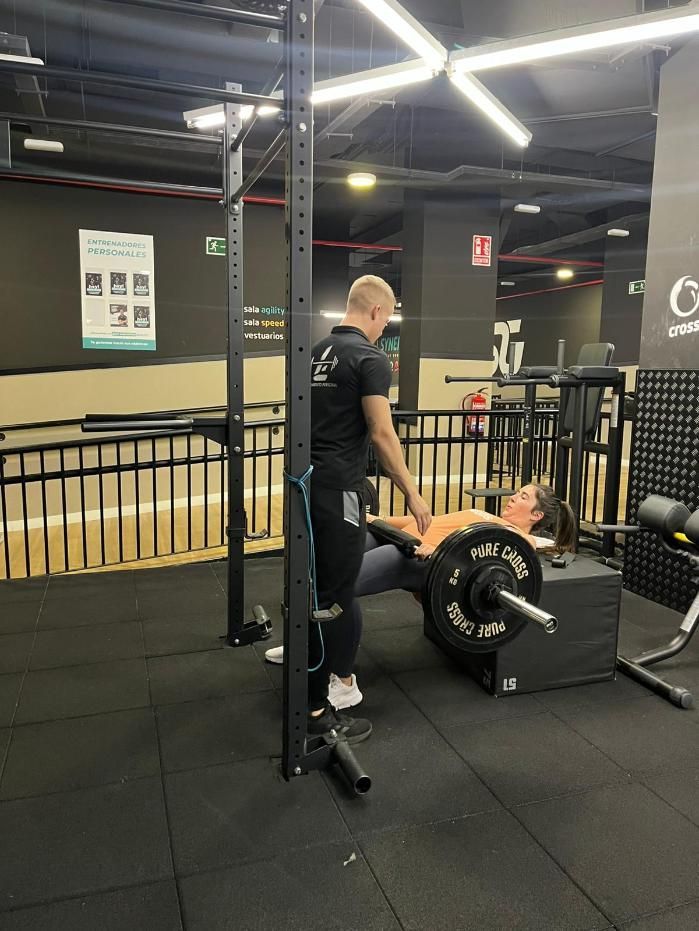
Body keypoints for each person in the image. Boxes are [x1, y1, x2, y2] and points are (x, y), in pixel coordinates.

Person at [269, 483, 576, 709]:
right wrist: (378, 521)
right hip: (403, 539)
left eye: (523, 497)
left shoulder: (516, 540)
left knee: (341, 586)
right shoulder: (486, 515)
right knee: (321, 567)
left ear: (536, 514)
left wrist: (439, 552)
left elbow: (479, 565)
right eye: (518, 492)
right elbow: (431, 523)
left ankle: (346, 684)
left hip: (420, 561)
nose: (513, 497)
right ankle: (306, 646)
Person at [304, 275, 432, 745]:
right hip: (340, 489)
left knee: (313, 585)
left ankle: (307, 679)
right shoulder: (369, 357)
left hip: (306, 487)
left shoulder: (316, 351)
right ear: (377, 311)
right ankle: (317, 710)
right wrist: (412, 492)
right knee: (337, 596)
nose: (384, 329)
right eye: (387, 319)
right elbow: (381, 432)